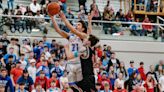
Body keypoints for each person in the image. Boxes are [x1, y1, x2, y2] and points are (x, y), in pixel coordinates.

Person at [50, 11, 93, 88]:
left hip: (80, 64)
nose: (76, 26)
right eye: (76, 24)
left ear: (83, 29)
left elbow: (85, 32)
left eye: (79, 25)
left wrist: (64, 18)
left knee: (81, 87)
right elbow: (58, 30)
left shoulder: (84, 37)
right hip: (70, 63)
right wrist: (52, 17)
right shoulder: (71, 37)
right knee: (72, 87)